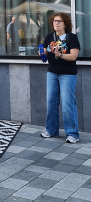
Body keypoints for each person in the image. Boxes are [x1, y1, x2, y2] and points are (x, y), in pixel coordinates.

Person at [40, 13, 80, 143]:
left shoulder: (72, 38)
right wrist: (43, 54)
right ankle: (51, 130)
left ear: (65, 24)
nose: (56, 23)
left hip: (67, 74)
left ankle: (72, 134)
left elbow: (73, 56)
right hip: (52, 73)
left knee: (68, 104)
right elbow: (45, 59)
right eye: (54, 21)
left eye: (59, 21)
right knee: (51, 102)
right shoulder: (49, 37)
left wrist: (60, 55)